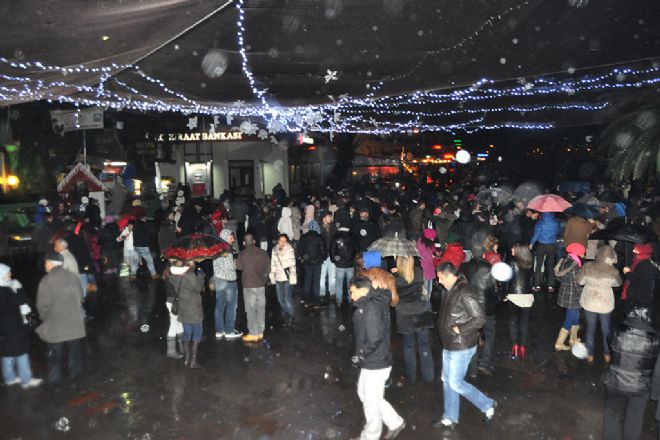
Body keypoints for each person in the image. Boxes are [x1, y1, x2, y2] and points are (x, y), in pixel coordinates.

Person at [434, 262, 496, 429]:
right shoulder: (450, 290)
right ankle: (450, 417)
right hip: (449, 344)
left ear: (449, 275)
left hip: (461, 346)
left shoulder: (464, 292)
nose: (439, 281)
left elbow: (480, 318)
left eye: (441, 278)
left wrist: (461, 329)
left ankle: (487, 404)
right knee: (447, 381)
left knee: (455, 382)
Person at [349, 275, 406, 440]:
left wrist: (361, 354)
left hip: (376, 362)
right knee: (365, 394)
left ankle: (370, 436)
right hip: (373, 360)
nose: (351, 296)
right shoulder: (370, 303)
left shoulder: (371, 308)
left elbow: (374, 338)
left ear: (363, 290)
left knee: (371, 403)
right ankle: (395, 422)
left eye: (353, 292)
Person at [602, 306, 659, 440]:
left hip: (615, 381)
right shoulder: (655, 338)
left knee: (612, 413)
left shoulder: (617, 331)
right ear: (648, 318)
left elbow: (609, 343)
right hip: (639, 386)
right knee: (634, 418)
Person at [35, 252, 86, 387]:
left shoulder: (46, 280)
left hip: (56, 325)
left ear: (50, 264)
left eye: (46, 263)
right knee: (74, 353)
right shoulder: (73, 276)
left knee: (54, 355)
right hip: (74, 323)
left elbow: (42, 306)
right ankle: (76, 378)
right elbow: (80, 296)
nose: (45, 265)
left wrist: (45, 318)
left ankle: (55, 383)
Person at [392, 256, 434, 384]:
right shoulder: (419, 273)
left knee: (408, 346)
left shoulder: (395, 278)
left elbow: (393, 300)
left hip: (404, 315)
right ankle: (428, 376)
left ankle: (411, 376)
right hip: (421, 312)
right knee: (424, 345)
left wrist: (396, 274)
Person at [576, 245, 621, 363]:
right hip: (605, 303)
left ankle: (590, 354)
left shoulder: (587, 266)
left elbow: (580, 281)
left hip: (589, 301)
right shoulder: (614, 271)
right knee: (606, 329)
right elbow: (618, 284)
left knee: (590, 328)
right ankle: (607, 354)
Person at [0, 263, 42, 388]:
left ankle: (9, 378)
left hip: (7, 329)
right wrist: (18, 290)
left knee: (7, 353)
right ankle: (26, 380)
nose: (10, 274)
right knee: (21, 353)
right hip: (13, 327)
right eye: (7, 272)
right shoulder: (5, 290)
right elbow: (19, 302)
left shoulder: (8, 287)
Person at [167, 261, 204, 368]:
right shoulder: (190, 275)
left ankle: (187, 359)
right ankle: (193, 361)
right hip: (194, 309)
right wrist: (200, 275)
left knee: (187, 333)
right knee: (197, 333)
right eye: (193, 263)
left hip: (183, 308)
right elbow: (198, 288)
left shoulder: (174, 275)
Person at [236, 233, 270, 342]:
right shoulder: (263, 253)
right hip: (261, 285)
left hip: (248, 285)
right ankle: (260, 332)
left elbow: (238, 267)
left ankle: (253, 333)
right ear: (254, 241)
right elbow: (268, 269)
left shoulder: (242, 254)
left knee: (251, 310)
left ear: (244, 243)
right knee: (261, 309)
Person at [554, 242, 585, 351]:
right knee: (569, 319)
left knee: (576, 316)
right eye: (582, 252)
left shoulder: (566, 260)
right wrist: (584, 291)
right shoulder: (574, 264)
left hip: (566, 292)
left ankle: (573, 339)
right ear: (577, 252)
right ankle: (559, 343)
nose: (584, 254)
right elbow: (577, 283)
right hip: (573, 295)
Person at [212, 229, 243, 340]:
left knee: (220, 306)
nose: (233, 239)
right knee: (231, 306)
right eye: (231, 237)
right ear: (225, 237)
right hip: (229, 281)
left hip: (219, 280)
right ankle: (229, 330)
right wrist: (235, 263)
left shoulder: (216, 249)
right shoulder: (227, 249)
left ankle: (219, 330)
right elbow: (231, 267)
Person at [505, 244, 534, 360]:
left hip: (514, 295)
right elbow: (530, 280)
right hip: (527, 295)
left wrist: (505, 294)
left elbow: (507, 279)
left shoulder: (512, 262)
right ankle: (522, 347)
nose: (511, 249)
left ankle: (515, 346)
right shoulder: (530, 263)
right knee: (524, 322)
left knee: (513, 321)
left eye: (513, 248)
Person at [269, 234, 297, 328]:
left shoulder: (289, 249)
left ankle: (291, 317)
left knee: (287, 298)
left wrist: (292, 277)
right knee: (280, 299)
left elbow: (292, 265)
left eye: (284, 241)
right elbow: (273, 264)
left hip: (287, 277)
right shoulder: (274, 250)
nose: (282, 243)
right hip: (278, 277)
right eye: (281, 240)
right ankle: (287, 312)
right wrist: (272, 275)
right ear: (278, 241)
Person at [622, 242, 657, 315]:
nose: (633, 251)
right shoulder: (639, 260)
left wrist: (628, 273)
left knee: (636, 319)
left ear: (643, 251)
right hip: (638, 297)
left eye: (636, 249)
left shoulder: (644, 264)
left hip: (639, 299)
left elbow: (638, 281)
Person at [297, 220, 326, 308]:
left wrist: (303, 256)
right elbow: (324, 250)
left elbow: (299, 250)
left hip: (307, 262)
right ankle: (316, 302)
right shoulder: (320, 237)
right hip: (317, 263)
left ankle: (307, 301)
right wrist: (322, 258)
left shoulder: (303, 237)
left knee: (307, 281)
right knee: (316, 282)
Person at [529, 212, 560, 292]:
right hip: (552, 245)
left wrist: (531, 243)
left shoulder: (541, 222)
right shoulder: (556, 222)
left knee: (538, 265)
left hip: (542, 245)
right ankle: (551, 286)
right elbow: (557, 232)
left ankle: (537, 285)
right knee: (550, 265)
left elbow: (536, 234)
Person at [329, 222, 357, 307]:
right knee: (350, 283)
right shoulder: (352, 236)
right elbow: (357, 249)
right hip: (350, 264)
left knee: (339, 283)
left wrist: (334, 260)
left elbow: (331, 250)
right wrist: (352, 258)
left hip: (340, 264)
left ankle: (339, 301)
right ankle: (350, 299)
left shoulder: (335, 236)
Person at [163, 262, 184, 360]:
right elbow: (174, 291)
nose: (181, 263)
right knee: (174, 325)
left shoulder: (170, 273)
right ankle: (171, 351)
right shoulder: (172, 275)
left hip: (173, 302)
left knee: (179, 324)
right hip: (174, 303)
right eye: (179, 262)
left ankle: (182, 347)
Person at [319, 211, 337, 303]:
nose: (330, 218)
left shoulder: (334, 228)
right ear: (324, 218)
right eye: (329, 216)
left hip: (331, 255)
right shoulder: (319, 228)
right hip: (322, 255)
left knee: (332, 276)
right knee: (322, 276)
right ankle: (322, 293)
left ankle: (332, 293)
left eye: (330, 216)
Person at [416, 228, 438, 299]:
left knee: (430, 287)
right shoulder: (421, 243)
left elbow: (433, 249)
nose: (433, 239)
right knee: (425, 287)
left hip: (430, 267)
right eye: (432, 238)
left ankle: (428, 300)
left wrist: (435, 253)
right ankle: (425, 302)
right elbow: (424, 256)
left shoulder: (428, 242)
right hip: (424, 268)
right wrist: (432, 256)